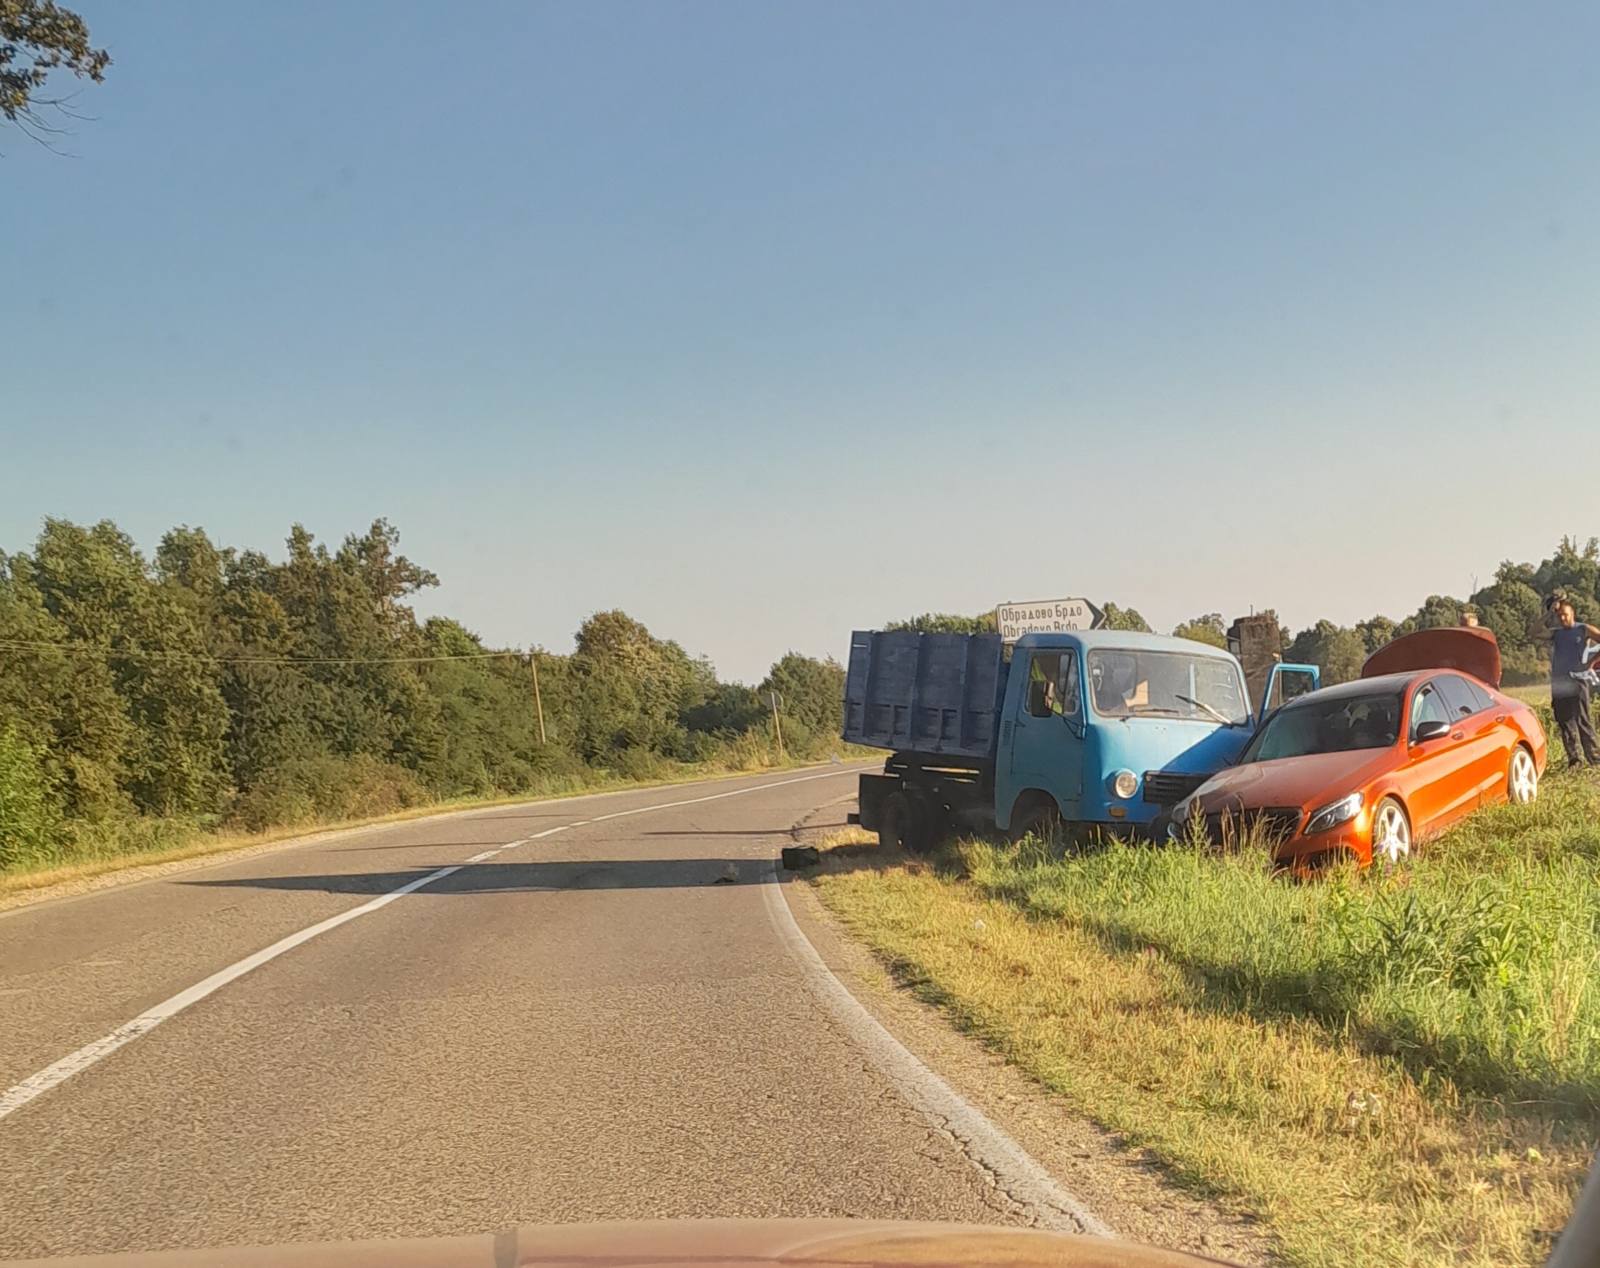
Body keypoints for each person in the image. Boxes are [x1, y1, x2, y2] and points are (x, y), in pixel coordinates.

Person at [1533, 597, 1600, 767]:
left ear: (1572, 613)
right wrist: (1549, 613)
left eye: (1566, 615)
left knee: (1583, 720)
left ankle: (1594, 758)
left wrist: (1590, 663)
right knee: (1564, 722)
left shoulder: (1583, 629)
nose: (1563, 619)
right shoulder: (1556, 633)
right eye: (1560, 616)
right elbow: (1533, 632)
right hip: (1559, 683)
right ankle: (1574, 760)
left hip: (1578, 681)